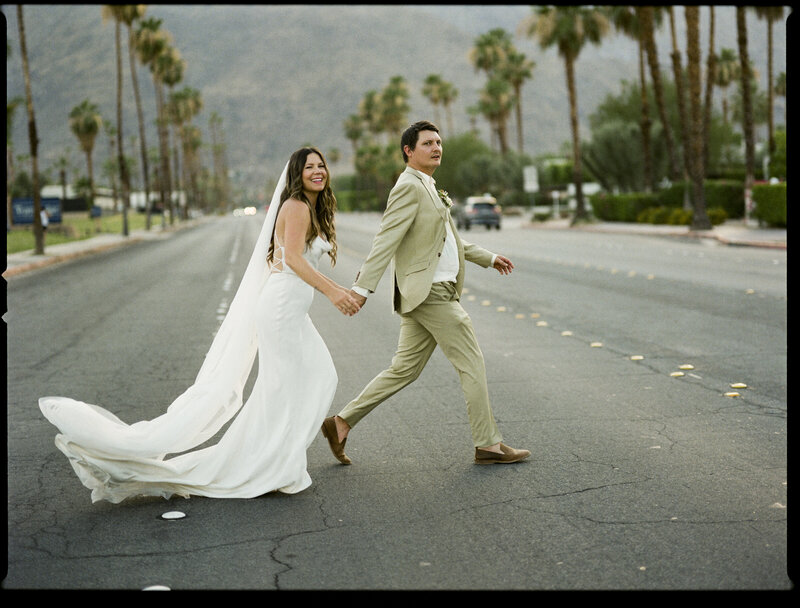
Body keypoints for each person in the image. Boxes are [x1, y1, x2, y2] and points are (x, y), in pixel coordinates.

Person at [39, 147, 361, 503]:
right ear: (296, 175)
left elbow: (294, 262)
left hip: (291, 310)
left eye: (322, 166)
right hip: (282, 310)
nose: (318, 171)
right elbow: (295, 261)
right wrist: (333, 292)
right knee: (286, 387)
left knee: (312, 377)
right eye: (309, 167)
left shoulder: (310, 208)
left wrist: (343, 289)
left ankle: (279, 458)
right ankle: (274, 463)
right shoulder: (297, 207)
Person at [320, 121, 530, 466]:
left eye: (439, 142)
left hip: (429, 291)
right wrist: (361, 289)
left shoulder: (428, 186)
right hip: (432, 293)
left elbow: (448, 240)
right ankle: (488, 444)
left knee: (403, 370)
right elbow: (386, 239)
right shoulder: (409, 187)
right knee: (472, 362)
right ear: (409, 151)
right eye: (428, 143)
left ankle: (341, 423)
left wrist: (488, 258)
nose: (437, 147)